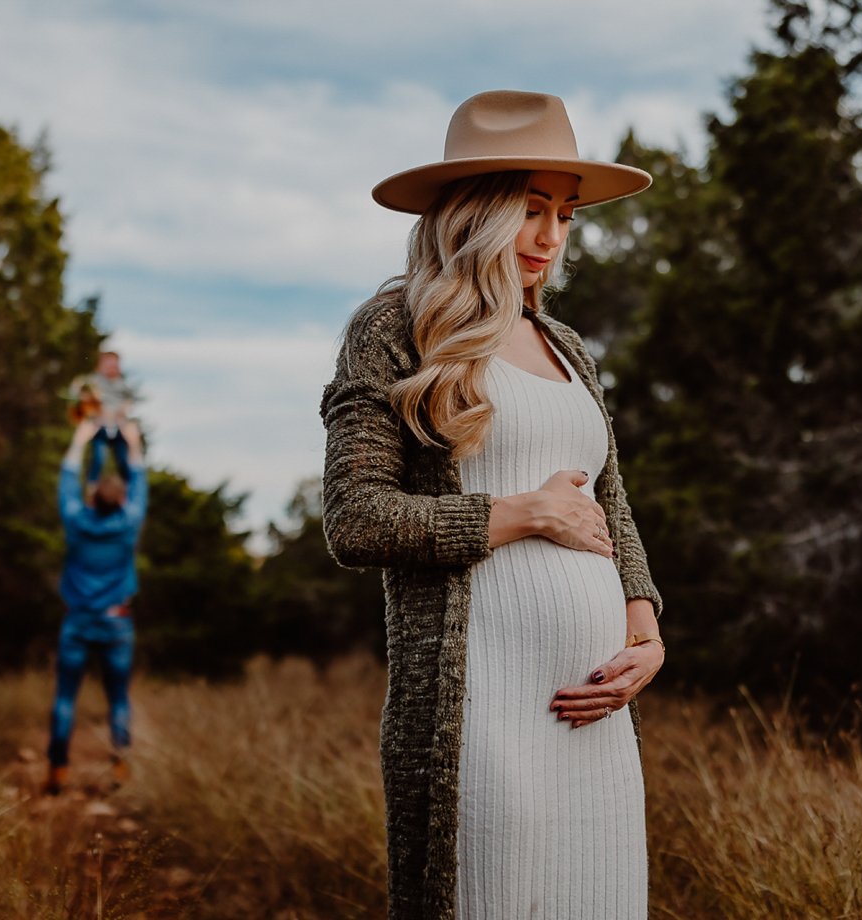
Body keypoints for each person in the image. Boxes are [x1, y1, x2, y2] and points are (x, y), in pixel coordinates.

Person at [322, 90, 666, 919]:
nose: (551, 236)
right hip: (477, 719)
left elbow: (610, 504)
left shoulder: (567, 346)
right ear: (474, 212)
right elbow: (355, 517)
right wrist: (518, 516)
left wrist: (647, 630)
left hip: (597, 723)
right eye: (529, 209)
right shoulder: (396, 326)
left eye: (566, 213)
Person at [46, 417, 149, 795]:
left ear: (92, 499)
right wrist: (133, 442)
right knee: (118, 699)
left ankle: (58, 769)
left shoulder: (75, 519)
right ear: (120, 501)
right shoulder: (130, 521)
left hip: (77, 621)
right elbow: (138, 479)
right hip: (117, 623)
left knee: (64, 698)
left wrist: (80, 438)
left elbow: (66, 479)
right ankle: (119, 765)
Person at [66, 351, 141, 477]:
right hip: (99, 426)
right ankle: (92, 488)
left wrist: (126, 407)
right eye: (109, 364)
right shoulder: (92, 381)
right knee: (98, 459)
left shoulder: (122, 384)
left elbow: (130, 399)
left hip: (119, 426)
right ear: (100, 366)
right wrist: (83, 395)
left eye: (115, 365)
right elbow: (76, 392)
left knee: (123, 460)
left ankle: (127, 488)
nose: (113, 368)